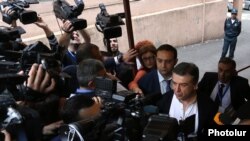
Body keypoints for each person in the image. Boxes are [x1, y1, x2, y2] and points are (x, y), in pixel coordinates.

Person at [157, 62, 217, 140]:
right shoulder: (163, 101)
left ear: (195, 85)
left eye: (183, 85)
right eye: (174, 83)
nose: (177, 89)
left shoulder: (208, 106)